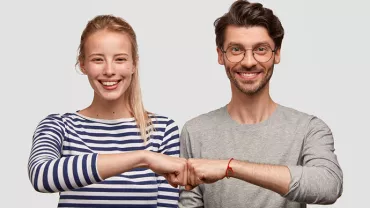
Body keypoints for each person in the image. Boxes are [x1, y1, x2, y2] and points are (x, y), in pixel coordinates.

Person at [179, 1, 343, 207]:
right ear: (221, 55)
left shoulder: (308, 129)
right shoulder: (195, 132)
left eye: (261, 49)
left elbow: (329, 186)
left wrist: (231, 168)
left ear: (277, 53)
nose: (249, 61)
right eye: (236, 49)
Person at [28, 15, 187, 207]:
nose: (109, 70)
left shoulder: (162, 130)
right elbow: (41, 176)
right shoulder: (60, 126)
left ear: (134, 64)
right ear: (83, 64)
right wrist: (143, 157)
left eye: (120, 59)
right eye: (98, 59)